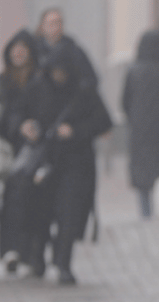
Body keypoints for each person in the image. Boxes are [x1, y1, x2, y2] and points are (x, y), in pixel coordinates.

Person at [9, 43, 112, 284]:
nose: (59, 76)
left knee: (69, 215)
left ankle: (63, 263)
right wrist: (24, 126)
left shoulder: (83, 92)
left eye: (63, 72)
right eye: (55, 71)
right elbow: (15, 114)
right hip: (43, 161)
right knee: (38, 211)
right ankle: (37, 258)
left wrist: (75, 131)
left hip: (76, 163)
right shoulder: (37, 88)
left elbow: (103, 121)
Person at [0, 29, 39, 271]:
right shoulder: (1, 81)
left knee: (33, 201)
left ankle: (29, 251)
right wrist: (17, 126)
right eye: (15, 49)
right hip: (9, 149)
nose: (18, 53)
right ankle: (11, 250)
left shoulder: (39, 79)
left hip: (36, 148)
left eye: (23, 49)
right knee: (11, 200)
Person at [122, 30, 159, 219]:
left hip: (140, 131)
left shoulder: (134, 71)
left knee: (143, 177)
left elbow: (125, 102)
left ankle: (146, 213)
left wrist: (135, 119)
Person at [33, 7, 97, 92]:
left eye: (59, 23)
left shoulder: (74, 50)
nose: (56, 28)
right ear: (42, 26)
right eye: (52, 23)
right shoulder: (34, 51)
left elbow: (91, 79)